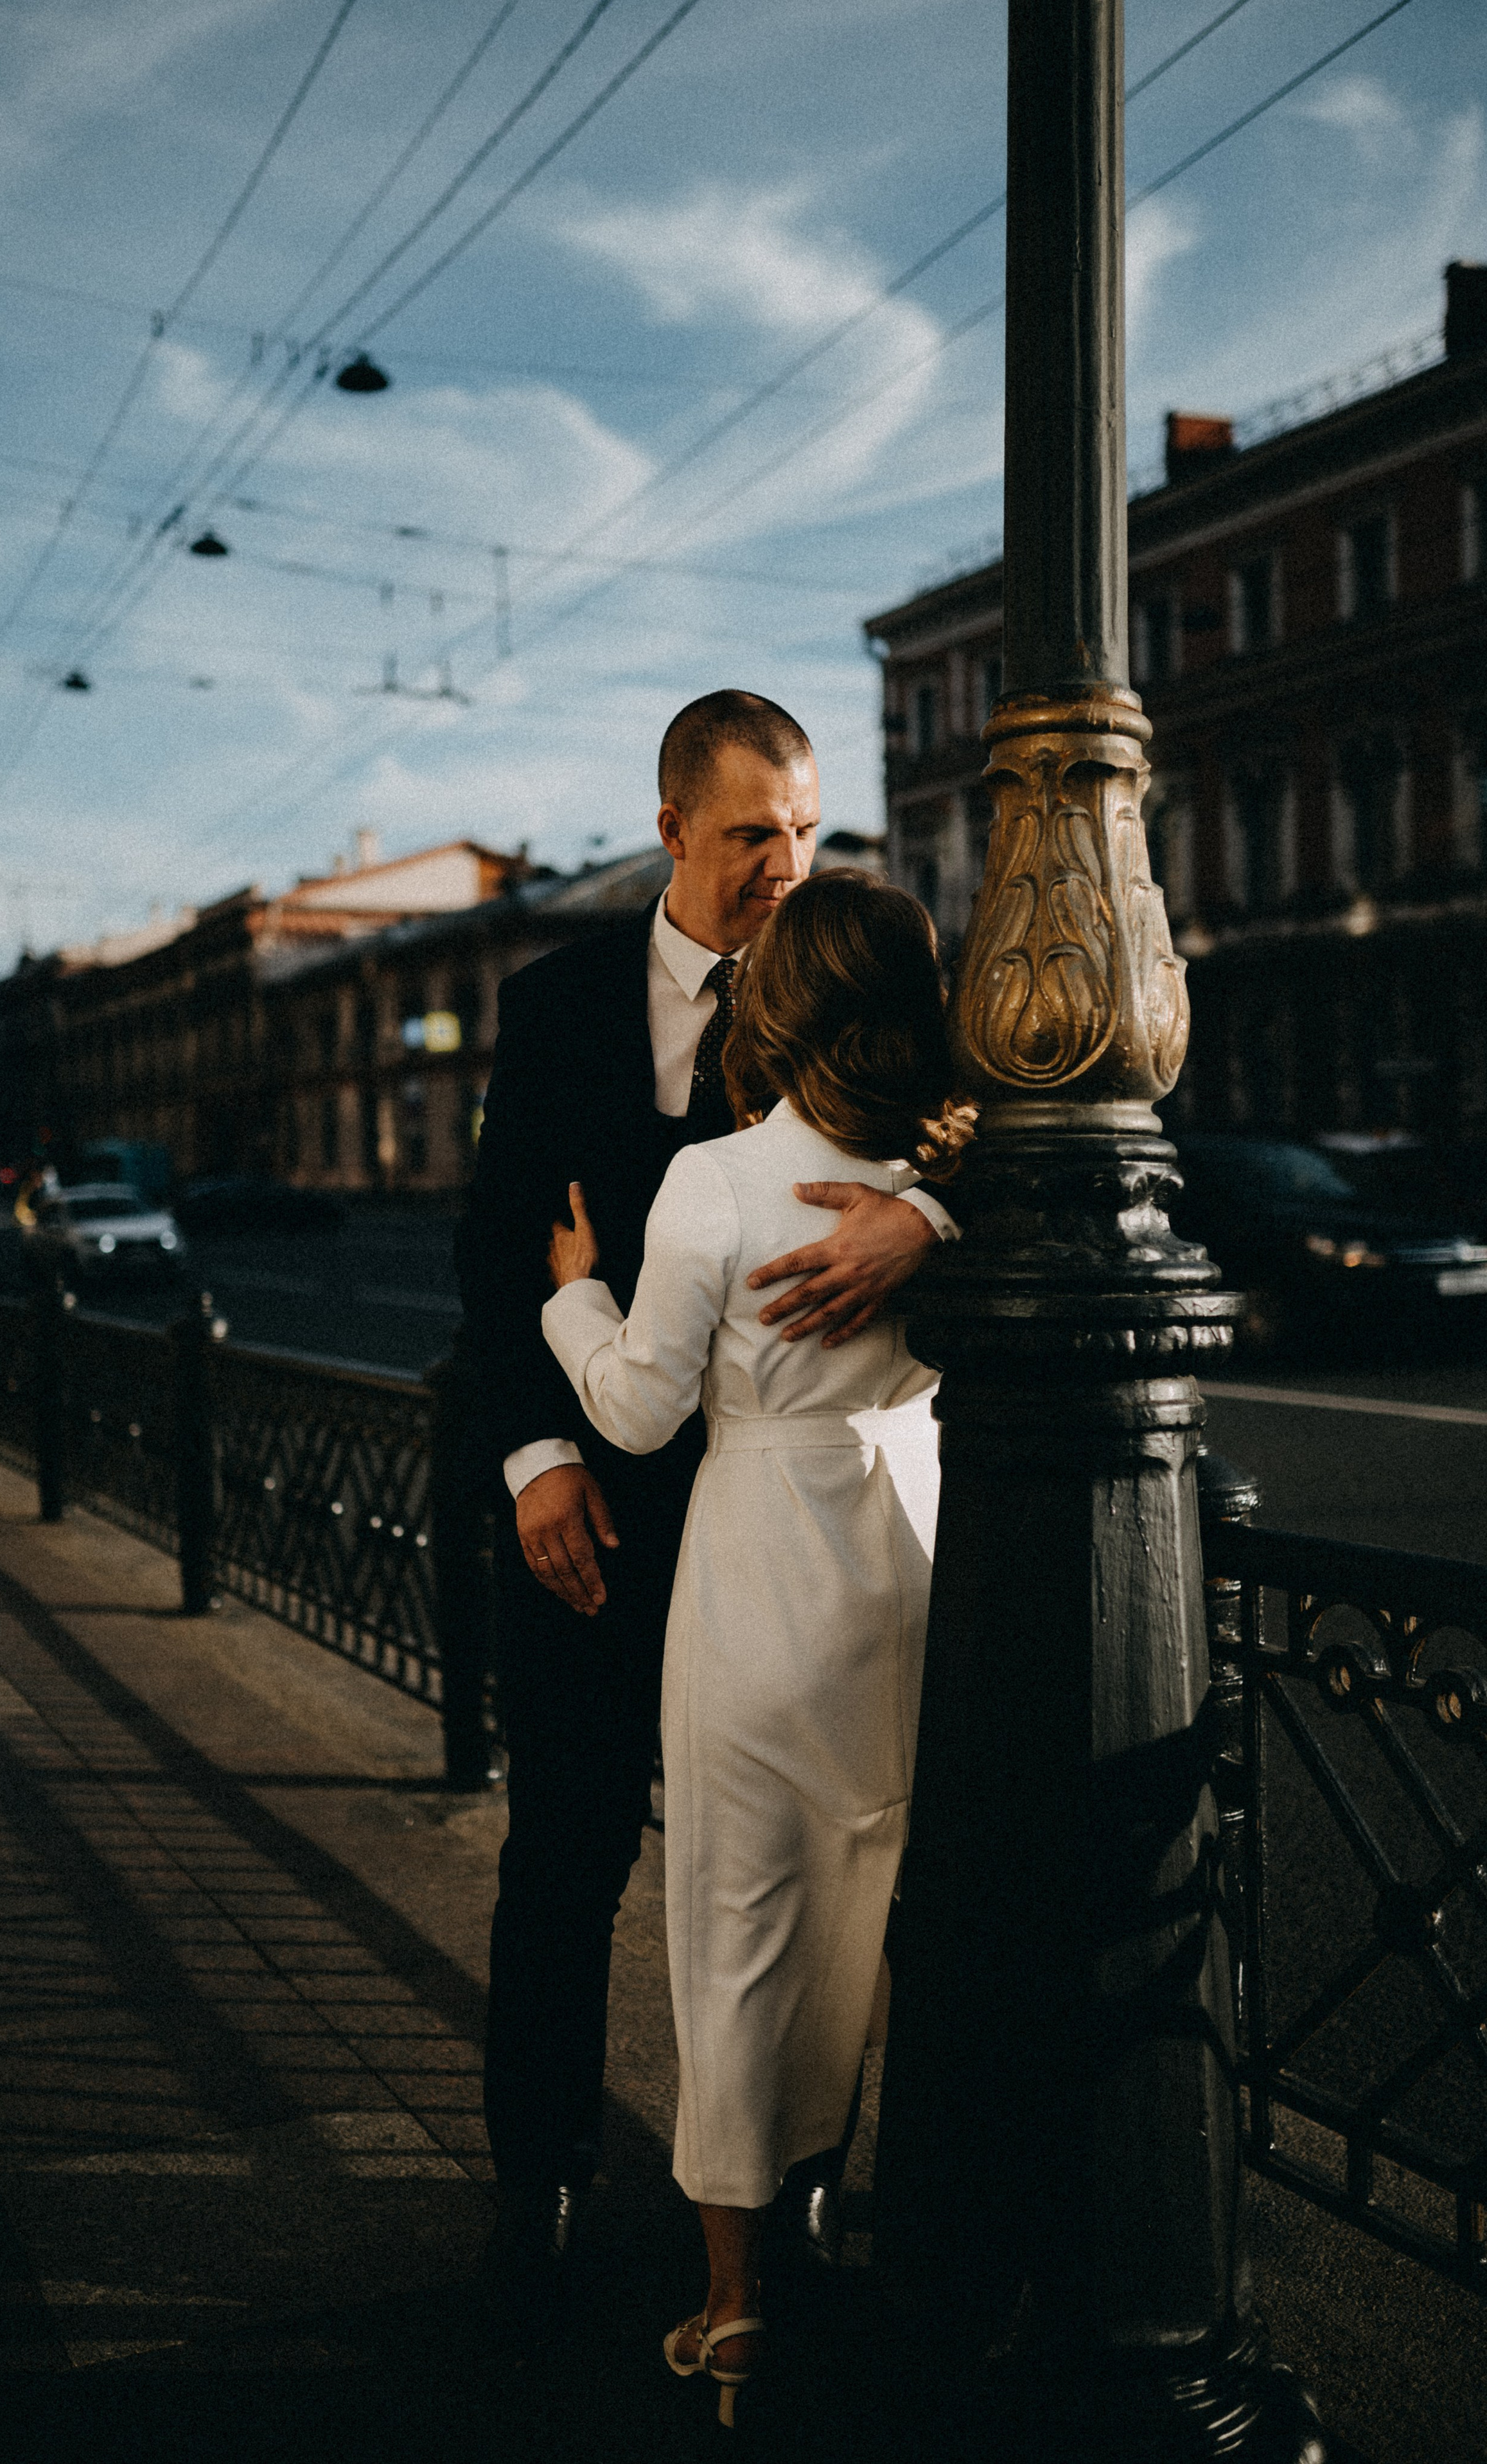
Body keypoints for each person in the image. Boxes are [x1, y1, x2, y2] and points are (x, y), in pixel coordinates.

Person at [453, 693, 956, 2321]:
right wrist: (535, 1466)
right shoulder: (556, 1002)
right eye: (753, 834)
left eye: (807, 830)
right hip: (595, 1524)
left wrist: (924, 1222)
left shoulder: (856, 982)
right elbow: (503, 1256)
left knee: (823, 1881)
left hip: (790, 1552)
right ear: (671, 829)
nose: (786, 865)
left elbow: (1013, 1125)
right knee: (566, 1863)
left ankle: (790, 2197)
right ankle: (537, 2178)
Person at [540, 872, 970, 2424]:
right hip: (909, 1562)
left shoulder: (714, 1184)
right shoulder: (941, 1176)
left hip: (757, 1570)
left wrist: (569, 1302)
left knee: (735, 1931)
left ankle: (729, 2314)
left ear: (771, 1006)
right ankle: (837, 2221)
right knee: (868, 1913)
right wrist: (927, 1212)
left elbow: (641, 1410)